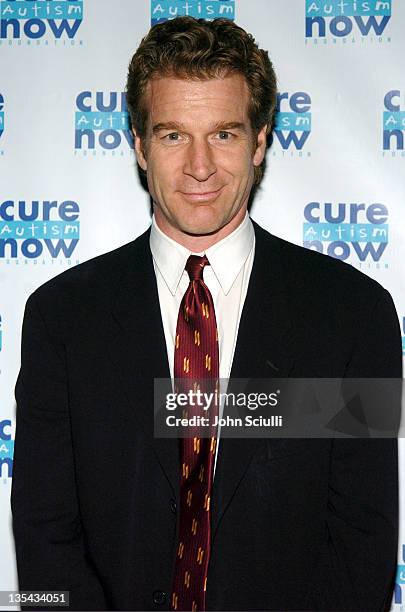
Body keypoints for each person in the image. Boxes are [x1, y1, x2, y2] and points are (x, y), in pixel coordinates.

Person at [11, 16, 402, 612]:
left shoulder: (354, 316)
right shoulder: (61, 319)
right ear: (139, 146)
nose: (200, 166)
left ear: (262, 141)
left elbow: (363, 542)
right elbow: (44, 538)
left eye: (224, 134)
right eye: (172, 135)